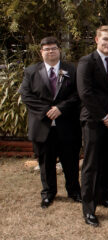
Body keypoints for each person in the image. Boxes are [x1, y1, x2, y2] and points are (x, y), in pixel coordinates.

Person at [20, 36, 82, 209]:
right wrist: (48, 110)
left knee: (70, 161)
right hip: (42, 125)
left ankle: (74, 191)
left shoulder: (72, 69)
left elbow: (78, 94)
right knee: (46, 163)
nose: (50, 51)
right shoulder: (31, 71)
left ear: (59, 50)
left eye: (53, 48)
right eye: (46, 49)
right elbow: (26, 95)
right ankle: (48, 193)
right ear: (41, 52)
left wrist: (61, 108)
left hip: (67, 125)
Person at [77, 25, 108, 227]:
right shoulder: (86, 62)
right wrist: (104, 116)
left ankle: (104, 196)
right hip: (93, 120)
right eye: (105, 39)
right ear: (97, 40)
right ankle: (89, 209)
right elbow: (85, 93)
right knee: (91, 164)